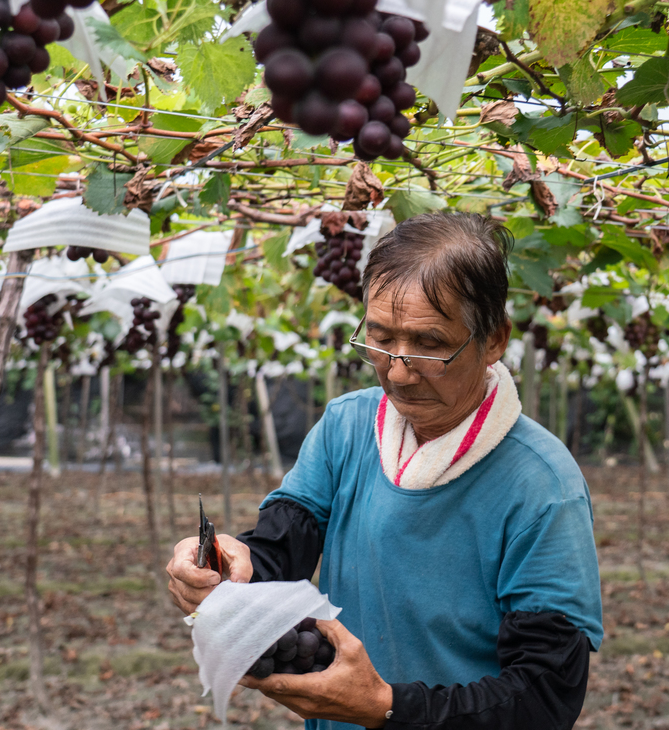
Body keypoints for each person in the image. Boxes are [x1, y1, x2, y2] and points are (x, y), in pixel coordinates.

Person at [166, 212, 603, 730]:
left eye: (429, 344)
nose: (397, 369)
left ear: (493, 340)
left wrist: (386, 708)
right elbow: (281, 549)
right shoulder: (347, 427)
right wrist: (228, 564)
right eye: (379, 339)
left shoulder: (542, 487)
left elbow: (543, 698)